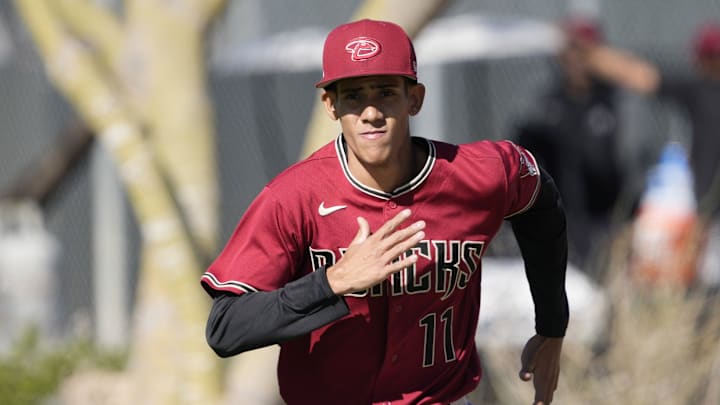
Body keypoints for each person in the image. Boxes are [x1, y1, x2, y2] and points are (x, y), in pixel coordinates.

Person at [201, 19, 568, 405]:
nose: (371, 112)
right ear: (331, 105)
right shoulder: (293, 197)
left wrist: (552, 325)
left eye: (386, 92)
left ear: (415, 98)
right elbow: (226, 327)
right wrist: (332, 281)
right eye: (354, 95)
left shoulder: (479, 174)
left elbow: (541, 202)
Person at [580, 20, 720, 285]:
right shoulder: (700, 90)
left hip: (708, 208)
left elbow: (639, 75)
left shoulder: (701, 90)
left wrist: (589, 53)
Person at [513, 16, 628, 277]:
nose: (578, 59)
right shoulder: (546, 103)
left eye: (585, 51)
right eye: (572, 50)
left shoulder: (615, 102)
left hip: (608, 220)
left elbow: (633, 160)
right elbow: (523, 158)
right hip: (559, 220)